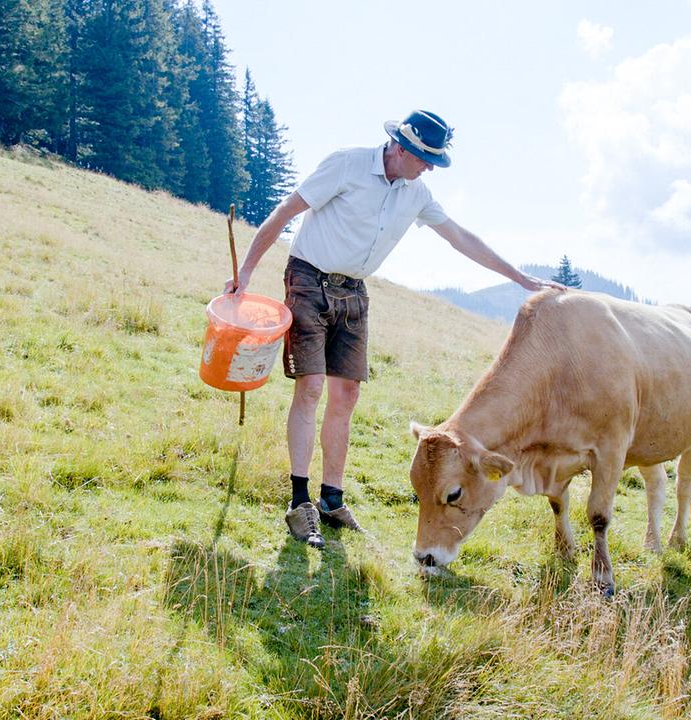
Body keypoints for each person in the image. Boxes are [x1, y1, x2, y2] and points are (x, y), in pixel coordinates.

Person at [226, 109, 564, 548]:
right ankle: (299, 501)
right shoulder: (346, 164)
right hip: (308, 278)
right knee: (310, 389)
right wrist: (246, 273)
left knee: (346, 395)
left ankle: (332, 498)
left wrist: (523, 280)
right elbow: (287, 210)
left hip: (354, 291)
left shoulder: (416, 193)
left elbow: (461, 238)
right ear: (400, 147)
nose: (428, 168)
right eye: (425, 158)